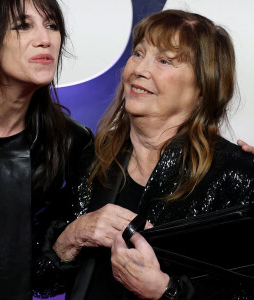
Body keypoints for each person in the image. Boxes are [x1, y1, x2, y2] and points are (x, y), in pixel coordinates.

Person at [34, 9, 254, 300]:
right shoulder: (93, 158)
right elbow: (41, 282)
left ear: (204, 87)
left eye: (164, 61)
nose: (140, 69)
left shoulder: (237, 175)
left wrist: (167, 291)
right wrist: (71, 238)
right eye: (138, 53)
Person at [0, 0, 93, 299]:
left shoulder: (71, 143)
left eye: (52, 26)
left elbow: (47, 279)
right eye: (23, 25)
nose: (45, 39)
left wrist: (67, 244)